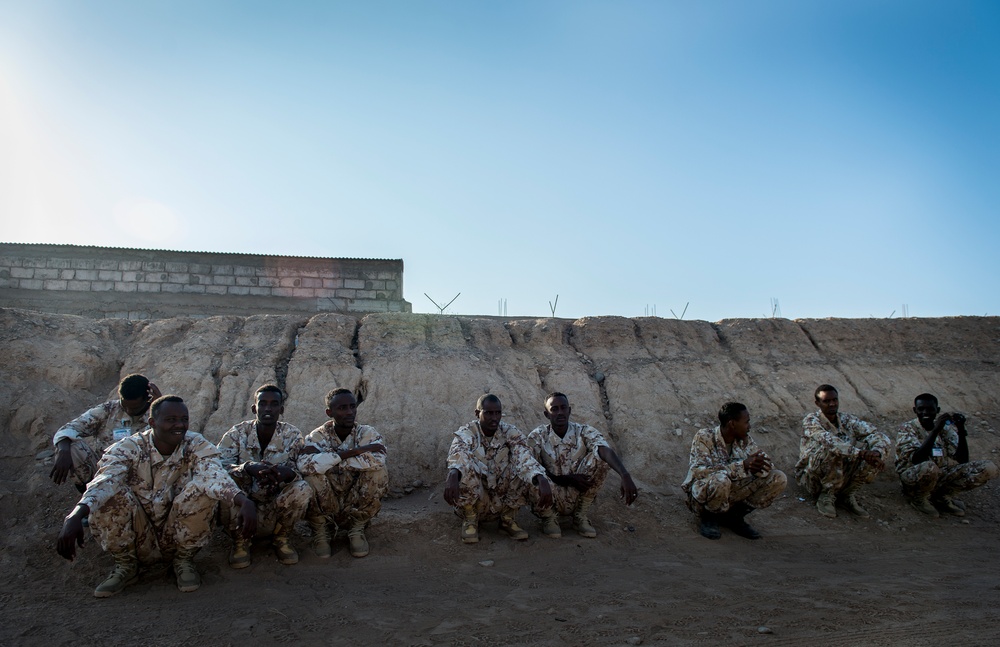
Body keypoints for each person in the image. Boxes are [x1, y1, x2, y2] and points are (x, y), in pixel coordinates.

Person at [56, 396, 257, 597]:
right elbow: (105, 479)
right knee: (111, 493)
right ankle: (126, 565)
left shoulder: (195, 444)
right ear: (152, 422)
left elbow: (213, 474)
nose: (179, 425)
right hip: (138, 534)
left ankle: (183, 560)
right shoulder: (129, 447)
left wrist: (242, 500)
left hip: (177, 534)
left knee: (202, 489)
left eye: (184, 419)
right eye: (171, 419)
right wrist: (76, 514)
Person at [217, 384, 310, 568]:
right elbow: (218, 468)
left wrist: (287, 473)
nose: (268, 408)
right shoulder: (237, 434)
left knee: (303, 488)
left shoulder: (292, 435)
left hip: (274, 504)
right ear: (254, 408)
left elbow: (303, 469)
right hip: (245, 505)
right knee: (226, 483)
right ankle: (240, 541)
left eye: (274, 404)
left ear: (281, 409)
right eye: (263, 403)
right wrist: (247, 467)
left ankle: (281, 537)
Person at [443, 394, 553, 544]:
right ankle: (470, 519)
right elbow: (458, 454)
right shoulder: (468, 432)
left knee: (524, 470)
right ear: (477, 413)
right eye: (488, 413)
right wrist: (453, 473)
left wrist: (540, 477)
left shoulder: (509, 432)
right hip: (477, 499)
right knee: (463, 468)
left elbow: (523, 456)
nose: (494, 417)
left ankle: (508, 519)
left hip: (501, 500)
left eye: (498, 413)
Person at [526, 392, 637, 538]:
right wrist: (564, 479)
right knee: (528, 469)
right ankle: (549, 518)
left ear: (569, 410)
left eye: (563, 408)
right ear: (547, 414)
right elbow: (527, 463)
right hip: (549, 495)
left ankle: (581, 515)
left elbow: (604, 450)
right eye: (554, 409)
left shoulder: (584, 431)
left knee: (601, 457)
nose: (560, 412)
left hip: (579, 491)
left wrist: (625, 474)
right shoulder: (538, 435)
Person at [297, 388, 388, 558]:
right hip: (327, 500)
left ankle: (357, 527)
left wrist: (330, 461)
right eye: (342, 408)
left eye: (352, 407)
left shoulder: (367, 433)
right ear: (329, 412)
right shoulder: (317, 437)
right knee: (310, 477)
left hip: (354, 499)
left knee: (378, 473)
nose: (349, 412)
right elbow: (305, 466)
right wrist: (354, 452)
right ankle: (321, 530)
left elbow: (378, 459)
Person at [681, 402, 787, 539]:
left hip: (732, 494)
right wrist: (742, 466)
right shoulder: (705, 437)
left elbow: (766, 465)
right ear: (732, 424)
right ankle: (709, 518)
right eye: (746, 422)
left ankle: (735, 517)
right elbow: (699, 471)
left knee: (778, 477)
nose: (749, 426)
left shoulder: (745, 441)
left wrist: (757, 468)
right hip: (704, 495)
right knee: (721, 480)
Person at [49, 374, 161, 491]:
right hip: (103, 472)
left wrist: (160, 408)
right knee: (71, 446)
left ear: (147, 398)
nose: (128, 411)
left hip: (138, 477)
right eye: (124, 405)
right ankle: (90, 495)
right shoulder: (109, 409)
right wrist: (63, 450)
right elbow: (70, 428)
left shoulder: (159, 414)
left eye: (134, 408)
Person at [895, 393, 999, 516]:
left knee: (988, 468)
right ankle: (919, 498)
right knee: (929, 466)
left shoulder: (944, 429)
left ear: (937, 410)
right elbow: (917, 459)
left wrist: (961, 430)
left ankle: (942, 496)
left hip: (939, 474)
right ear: (915, 410)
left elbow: (963, 460)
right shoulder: (908, 428)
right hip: (914, 476)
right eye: (921, 409)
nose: (925, 413)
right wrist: (934, 431)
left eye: (930, 409)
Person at [796, 384, 889, 519]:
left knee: (878, 445)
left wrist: (876, 453)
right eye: (826, 401)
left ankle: (848, 494)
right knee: (834, 449)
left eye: (835, 400)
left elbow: (875, 434)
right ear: (818, 403)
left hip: (843, 475)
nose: (832, 404)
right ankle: (826, 495)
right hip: (815, 478)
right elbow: (830, 441)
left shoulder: (847, 420)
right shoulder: (811, 421)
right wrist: (861, 454)